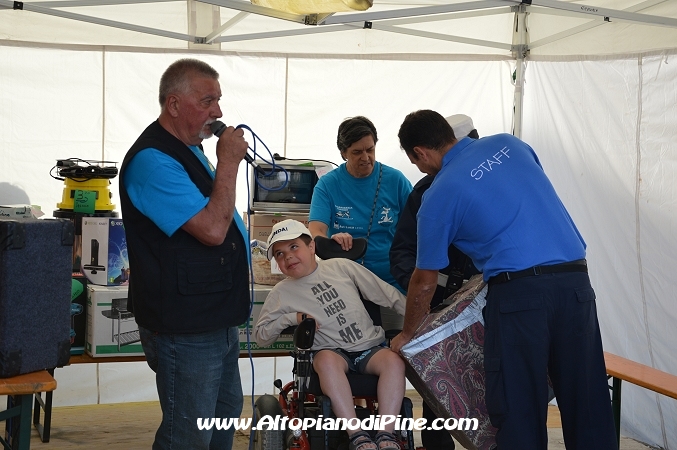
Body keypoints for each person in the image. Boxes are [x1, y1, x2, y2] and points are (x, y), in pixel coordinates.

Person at [391, 110, 617, 449]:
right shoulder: (511, 145)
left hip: (519, 297)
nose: (421, 169)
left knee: (519, 406)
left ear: (419, 153)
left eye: (417, 162)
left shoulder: (437, 196)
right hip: (576, 284)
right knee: (587, 400)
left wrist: (408, 334)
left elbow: (424, 280)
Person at [119, 58, 251, 450]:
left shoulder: (189, 147)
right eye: (208, 101)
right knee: (188, 435)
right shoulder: (152, 160)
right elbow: (212, 229)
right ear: (173, 104)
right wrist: (228, 162)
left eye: (219, 100)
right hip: (186, 324)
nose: (219, 112)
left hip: (216, 316)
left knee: (223, 414)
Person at [254, 219, 407, 450]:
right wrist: (291, 318)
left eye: (294, 247)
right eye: (279, 254)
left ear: (312, 247)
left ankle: (386, 434)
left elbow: (387, 295)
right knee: (325, 360)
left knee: (395, 361)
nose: (288, 257)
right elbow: (261, 336)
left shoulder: (341, 267)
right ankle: (357, 435)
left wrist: (419, 321)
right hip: (331, 353)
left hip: (369, 348)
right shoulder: (281, 292)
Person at [389, 114, 480, 450]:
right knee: (441, 388)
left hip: (490, 301)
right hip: (440, 306)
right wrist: (432, 292)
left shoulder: (485, 175)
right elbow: (402, 253)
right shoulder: (426, 192)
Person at [308, 116, 412, 328]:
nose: (366, 157)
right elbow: (316, 229)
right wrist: (330, 239)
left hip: (393, 284)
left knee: (397, 350)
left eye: (370, 150)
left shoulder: (396, 180)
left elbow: (416, 227)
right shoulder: (328, 185)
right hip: (348, 286)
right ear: (343, 152)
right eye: (357, 152)